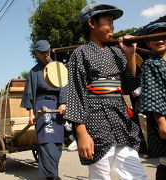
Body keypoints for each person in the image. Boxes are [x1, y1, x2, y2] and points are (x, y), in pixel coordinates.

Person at [64, 3, 146, 180]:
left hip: (121, 124)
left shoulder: (117, 53)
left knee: (136, 176)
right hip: (95, 127)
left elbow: (130, 87)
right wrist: (82, 133)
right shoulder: (80, 54)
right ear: (92, 23)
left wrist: (130, 55)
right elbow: (76, 95)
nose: (113, 26)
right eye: (108, 21)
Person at [21, 40, 67, 180]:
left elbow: (64, 86)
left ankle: (52, 173)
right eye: (42, 53)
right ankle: (50, 177)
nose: (46, 55)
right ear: (36, 54)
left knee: (57, 143)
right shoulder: (33, 71)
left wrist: (63, 103)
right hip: (41, 106)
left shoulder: (59, 67)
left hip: (57, 107)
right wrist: (30, 113)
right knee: (47, 142)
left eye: (47, 51)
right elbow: (29, 93)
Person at [138, 22, 166, 180]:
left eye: (162, 35)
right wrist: (161, 121)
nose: (160, 40)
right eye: (154, 37)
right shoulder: (150, 64)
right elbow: (152, 94)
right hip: (164, 116)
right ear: (148, 42)